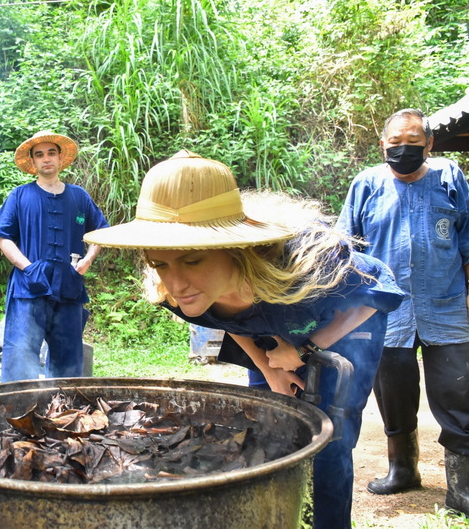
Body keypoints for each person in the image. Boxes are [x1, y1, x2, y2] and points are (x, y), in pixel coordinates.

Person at [84, 150, 404, 529]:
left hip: (343, 320)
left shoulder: (310, 263)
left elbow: (379, 290)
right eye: (160, 263)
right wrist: (270, 368)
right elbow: (225, 316)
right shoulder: (175, 293)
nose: (176, 282)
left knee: (330, 438)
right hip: (273, 332)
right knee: (266, 426)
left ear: (233, 249)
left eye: (191, 260)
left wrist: (306, 348)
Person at [336, 108, 469, 514]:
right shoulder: (366, 185)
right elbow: (344, 250)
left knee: (458, 394)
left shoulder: (449, 179)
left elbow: (468, 242)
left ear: (429, 144)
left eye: (413, 143)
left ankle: (461, 488)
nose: (403, 151)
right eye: (395, 144)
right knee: (393, 394)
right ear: (383, 146)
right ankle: (403, 470)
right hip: (386, 313)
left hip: (446, 310)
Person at [0, 130, 108, 381]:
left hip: (69, 286)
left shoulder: (79, 196)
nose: (46, 159)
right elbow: (4, 238)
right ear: (33, 162)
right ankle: (17, 411)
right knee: (20, 354)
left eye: (51, 153)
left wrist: (87, 260)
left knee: (69, 360)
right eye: (39, 155)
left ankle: (64, 413)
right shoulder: (20, 195)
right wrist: (27, 267)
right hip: (28, 286)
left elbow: (100, 231)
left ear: (60, 158)